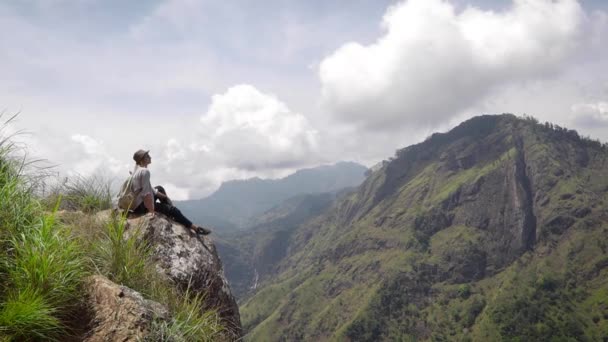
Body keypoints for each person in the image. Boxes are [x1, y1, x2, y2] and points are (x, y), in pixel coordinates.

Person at [130, 149, 211, 235]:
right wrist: (151, 211)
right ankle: (196, 228)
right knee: (173, 210)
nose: (150, 157)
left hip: (137, 203)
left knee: (159, 188)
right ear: (142, 159)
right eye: (147, 156)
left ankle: (171, 212)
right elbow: (146, 194)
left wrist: (162, 196)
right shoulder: (144, 171)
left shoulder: (136, 170)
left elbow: (147, 188)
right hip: (142, 206)